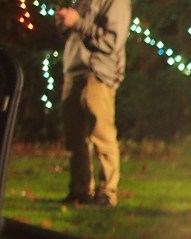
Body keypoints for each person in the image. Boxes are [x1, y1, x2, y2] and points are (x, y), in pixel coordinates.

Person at [56, 0, 131, 207]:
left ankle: (107, 193)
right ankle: (79, 191)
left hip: (97, 73)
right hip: (73, 71)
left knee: (101, 134)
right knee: (75, 137)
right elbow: (72, 34)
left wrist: (77, 23)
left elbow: (111, 42)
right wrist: (64, 22)